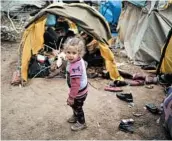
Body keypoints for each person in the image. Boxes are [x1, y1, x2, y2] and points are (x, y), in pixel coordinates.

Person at [64, 36, 88, 131]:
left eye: (74, 53)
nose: (70, 55)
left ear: (80, 53)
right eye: (68, 52)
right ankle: (75, 116)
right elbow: (85, 63)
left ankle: (82, 123)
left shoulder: (75, 67)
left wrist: (71, 97)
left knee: (77, 106)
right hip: (81, 90)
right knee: (74, 105)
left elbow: (75, 85)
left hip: (78, 92)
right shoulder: (77, 60)